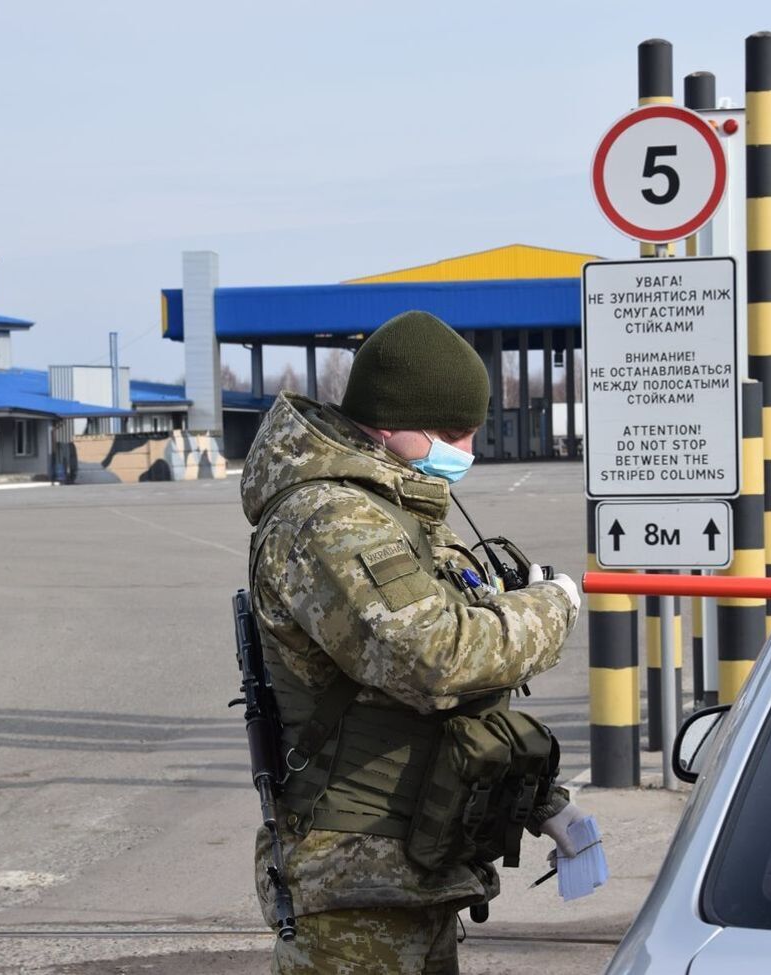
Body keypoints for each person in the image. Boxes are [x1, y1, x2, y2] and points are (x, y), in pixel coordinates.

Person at [240, 309, 584, 974]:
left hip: (414, 865)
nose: (468, 450)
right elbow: (436, 657)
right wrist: (551, 608)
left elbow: (455, 703)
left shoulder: (398, 511)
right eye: (452, 433)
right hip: (354, 884)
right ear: (389, 421)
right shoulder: (330, 519)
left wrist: (544, 802)